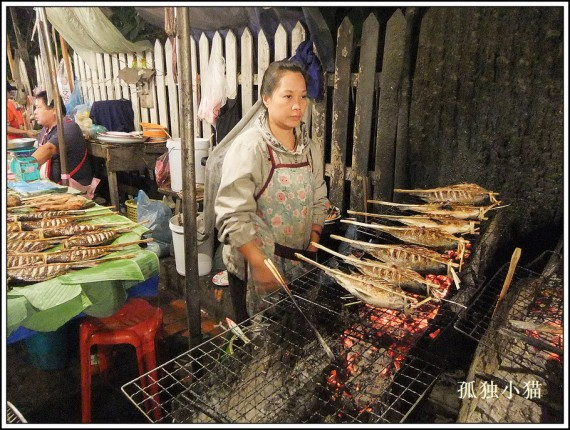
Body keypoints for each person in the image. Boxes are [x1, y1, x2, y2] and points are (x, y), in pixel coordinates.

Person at [215, 60, 330, 323]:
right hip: (256, 270)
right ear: (266, 98)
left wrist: (313, 242)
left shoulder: (309, 148)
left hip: (298, 265)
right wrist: (259, 264)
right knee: (258, 350)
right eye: (287, 96)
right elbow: (231, 214)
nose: (297, 105)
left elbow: (318, 198)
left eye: (302, 96)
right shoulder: (251, 147)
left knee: (292, 342)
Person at [32, 91, 94, 186]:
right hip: (52, 185)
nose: (35, 112)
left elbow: (49, 149)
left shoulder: (69, 128)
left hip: (74, 189)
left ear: (54, 109)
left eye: (39, 107)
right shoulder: (45, 130)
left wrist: (25, 166)